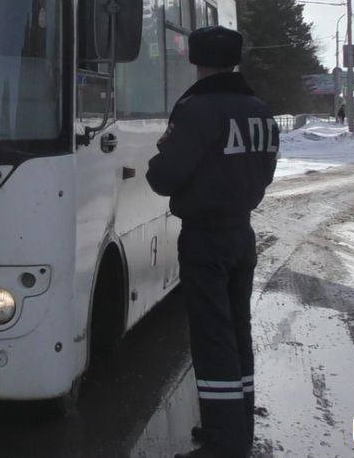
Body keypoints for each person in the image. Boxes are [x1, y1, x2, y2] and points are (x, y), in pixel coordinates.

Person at [145, 26, 279, 458]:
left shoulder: (197, 109)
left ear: (196, 61)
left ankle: (224, 443)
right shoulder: (260, 110)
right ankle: (237, 429)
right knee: (238, 329)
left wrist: (160, 154)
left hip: (205, 238)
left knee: (212, 337)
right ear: (235, 60)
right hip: (242, 232)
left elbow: (164, 178)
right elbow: (264, 173)